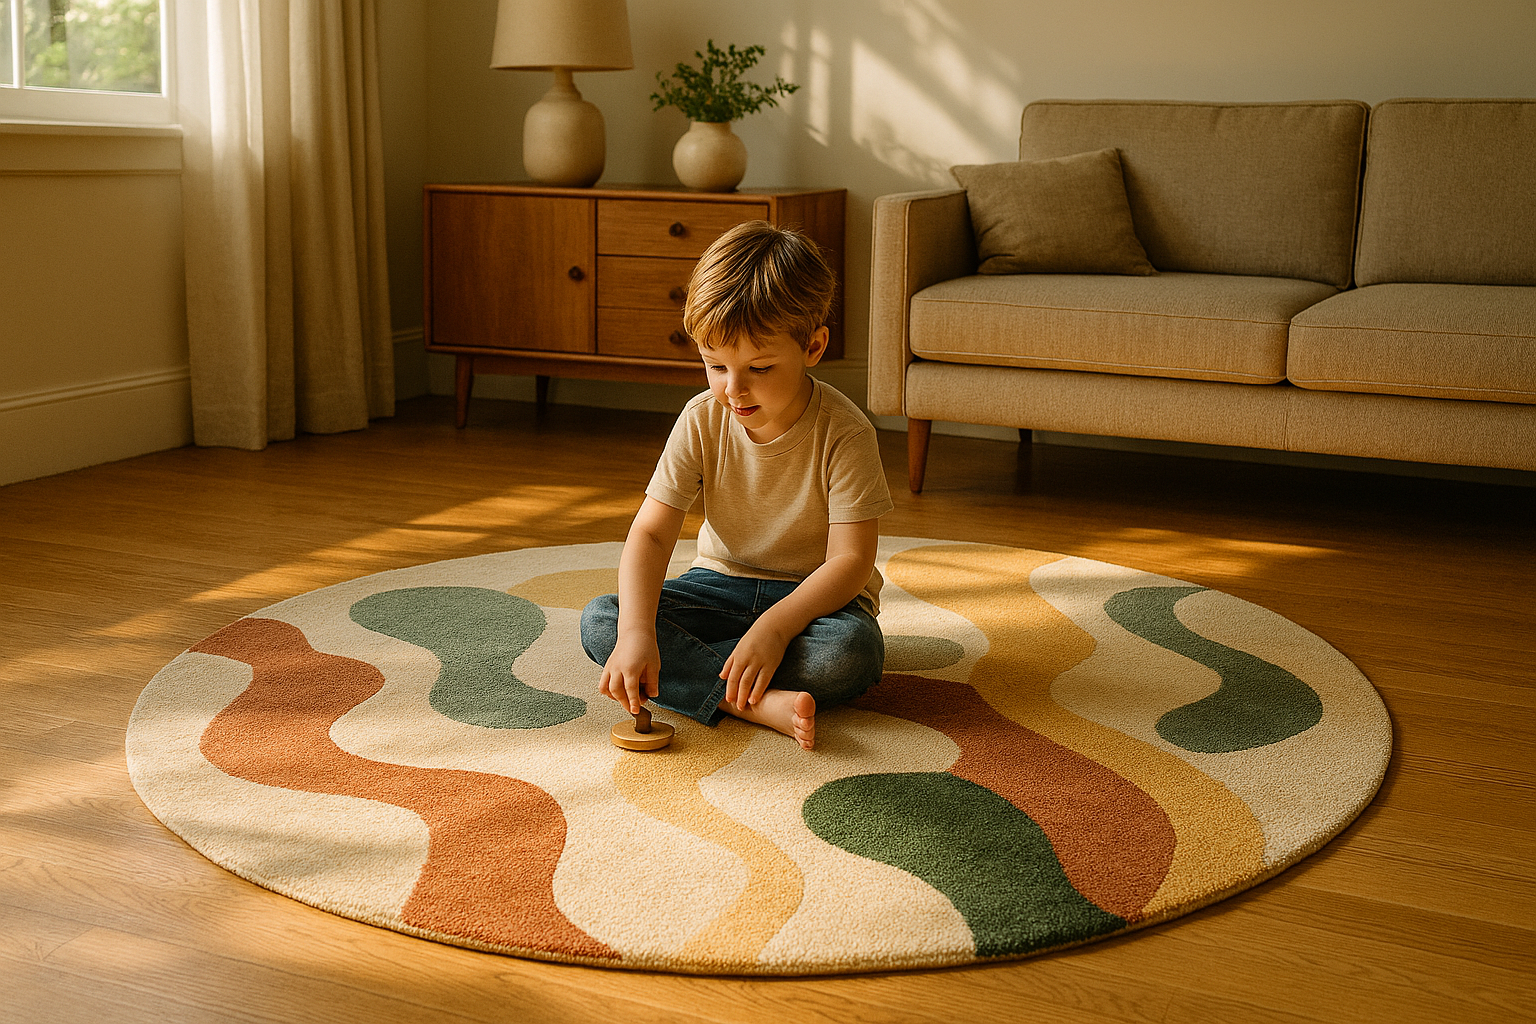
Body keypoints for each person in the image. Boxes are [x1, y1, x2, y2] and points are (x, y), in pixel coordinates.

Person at [580, 221, 893, 750]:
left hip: (814, 602)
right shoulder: (700, 418)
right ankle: (746, 697)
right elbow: (652, 534)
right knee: (604, 621)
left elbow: (850, 562)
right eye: (715, 365)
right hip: (716, 586)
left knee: (850, 654)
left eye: (760, 367)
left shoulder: (846, 431)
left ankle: (706, 672)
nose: (734, 388)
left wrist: (774, 629)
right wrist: (637, 633)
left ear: (814, 347)